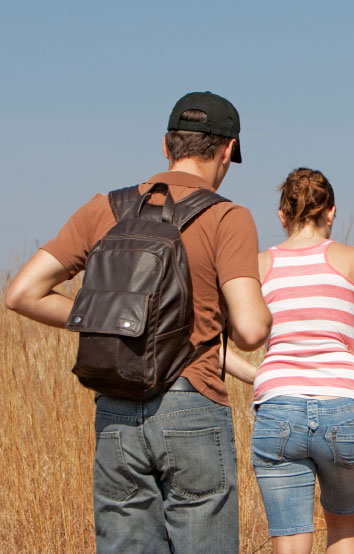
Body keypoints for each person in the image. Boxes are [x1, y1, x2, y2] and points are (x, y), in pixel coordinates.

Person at [5, 91, 272, 554]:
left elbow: (21, 294)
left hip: (115, 409)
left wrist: (116, 318)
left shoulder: (103, 209)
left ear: (166, 145)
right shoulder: (228, 216)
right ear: (227, 150)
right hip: (191, 402)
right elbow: (250, 330)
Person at [224, 168, 354, 554]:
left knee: (289, 539)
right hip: (344, 407)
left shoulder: (256, 268)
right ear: (332, 213)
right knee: (344, 529)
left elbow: (208, 339)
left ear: (282, 216)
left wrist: (260, 375)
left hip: (278, 407)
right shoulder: (352, 259)